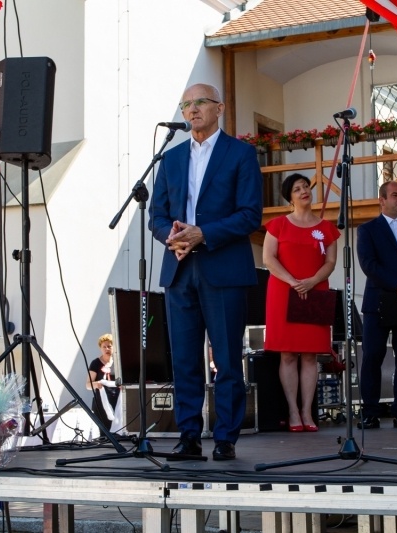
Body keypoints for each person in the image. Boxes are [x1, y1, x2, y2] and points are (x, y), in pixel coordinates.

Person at [149, 82, 262, 461]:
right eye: (186, 105)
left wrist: (204, 234)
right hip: (180, 268)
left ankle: (227, 436)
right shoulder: (171, 158)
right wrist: (174, 237)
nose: (192, 110)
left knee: (228, 359)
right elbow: (157, 215)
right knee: (183, 359)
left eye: (200, 103)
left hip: (223, 267)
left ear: (220, 108)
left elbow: (250, 215)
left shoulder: (241, 154)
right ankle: (189, 436)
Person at [262, 173, 339, 432]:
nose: (304, 190)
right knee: (288, 354)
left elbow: (330, 262)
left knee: (310, 355)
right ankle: (293, 411)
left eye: (306, 186)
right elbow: (269, 259)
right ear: (290, 197)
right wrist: (294, 281)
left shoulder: (326, 228)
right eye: (297, 189)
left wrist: (312, 280)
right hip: (284, 292)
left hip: (315, 291)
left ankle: (307, 411)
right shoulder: (278, 225)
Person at [356, 181, 397, 430]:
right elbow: (368, 264)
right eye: (395, 195)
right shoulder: (368, 229)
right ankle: (370, 412)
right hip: (379, 301)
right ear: (382, 200)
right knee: (373, 356)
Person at [86, 333, 122, 437]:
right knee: (104, 434)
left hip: (118, 404)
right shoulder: (95, 363)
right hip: (101, 405)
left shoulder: (119, 362)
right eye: (104, 347)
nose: (107, 349)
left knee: (118, 434)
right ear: (100, 349)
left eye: (109, 346)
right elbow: (88, 385)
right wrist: (97, 384)